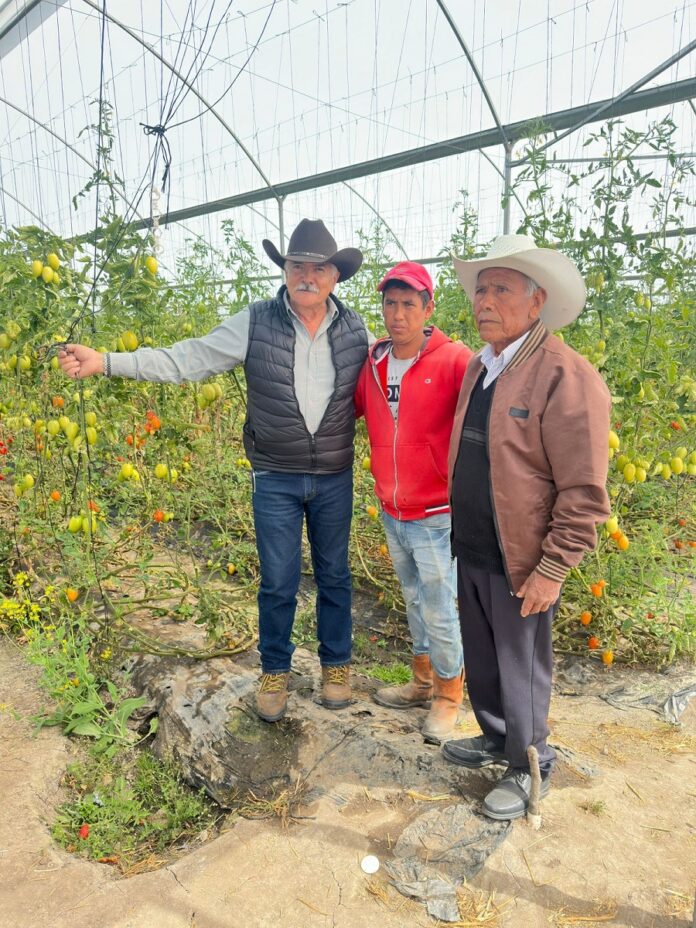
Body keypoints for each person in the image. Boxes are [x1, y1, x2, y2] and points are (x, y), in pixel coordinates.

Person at [58, 219, 369, 723]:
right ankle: (274, 671)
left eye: (317, 268)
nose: (306, 276)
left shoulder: (357, 331)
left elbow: (386, 383)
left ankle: (336, 666)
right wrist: (107, 361)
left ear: (335, 276)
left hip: (334, 475)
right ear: (285, 271)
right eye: (297, 266)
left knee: (335, 574)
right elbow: (187, 359)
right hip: (276, 476)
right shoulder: (256, 322)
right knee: (278, 579)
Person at [443, 234, 611, 820]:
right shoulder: (481, 366)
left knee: (522, 669)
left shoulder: (565, 375)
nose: (484, 301)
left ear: (536, 303)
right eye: (481, 289)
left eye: (501, 290)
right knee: (484, 658)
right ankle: (495, 736)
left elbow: (584, 490)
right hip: (474, 547)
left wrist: (553, 567)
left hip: (523, 559)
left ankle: (530, 762)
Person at [354, 261, 473, 743]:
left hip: (436, 513)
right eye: (390, 303)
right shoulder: (374, 363)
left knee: (441, 606)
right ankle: (423, 681)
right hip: (393, 509)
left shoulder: (455, 360)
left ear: (428, 308)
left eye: (408, 304)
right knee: (414, 600)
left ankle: (449, 693)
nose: (397, 314)